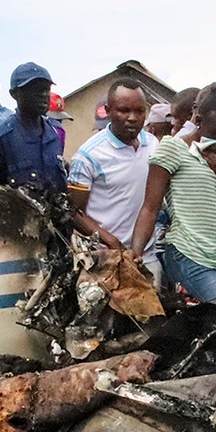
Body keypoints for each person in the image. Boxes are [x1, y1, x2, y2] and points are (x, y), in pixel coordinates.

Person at [131, 82, 216, 304]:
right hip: (187, 253)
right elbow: (150, 207)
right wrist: (135, 254)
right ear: (198, 121)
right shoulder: (173, 149)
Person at [67, 79, 161, 283]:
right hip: (104, 261)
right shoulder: (89, 156)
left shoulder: (153, 145)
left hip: (146, 256)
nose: (132, 118)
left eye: (139, 111)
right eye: (124, 110)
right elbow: (74, 212)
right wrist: (111, 242)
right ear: (108, 111)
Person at [0, 62, 67, 194]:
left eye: (46, 89)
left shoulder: (53, 135)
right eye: (35, 89)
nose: (43, 95)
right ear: (14, 94)